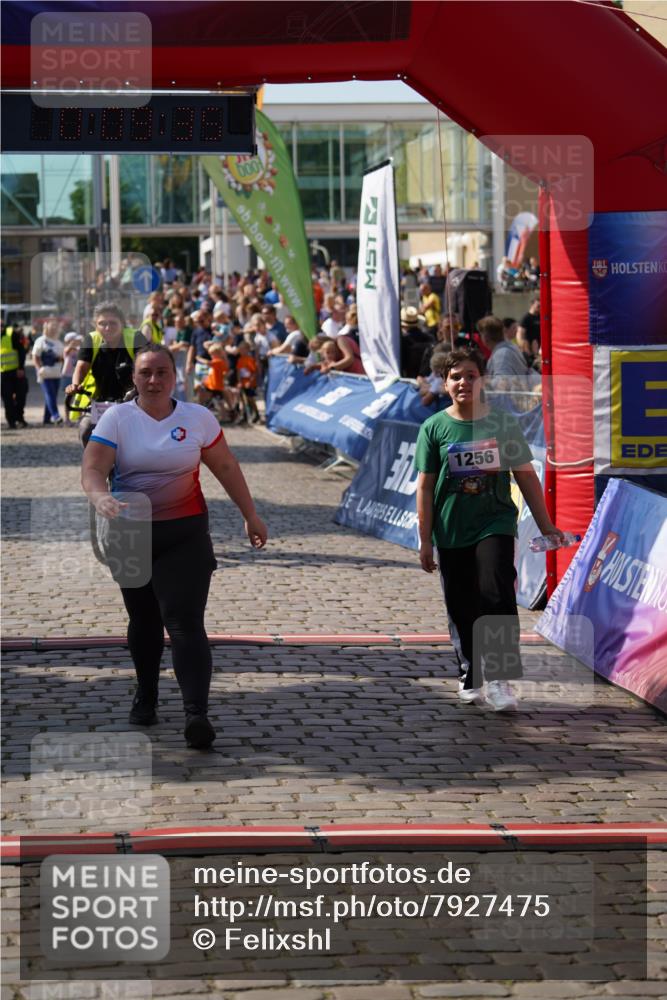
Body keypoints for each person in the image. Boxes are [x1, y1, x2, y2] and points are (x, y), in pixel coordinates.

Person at [81, 343, 267, 749]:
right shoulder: (117, 418)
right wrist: (100, 498)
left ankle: (195, 714)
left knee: (185, 623)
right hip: (130, 531)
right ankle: (146, 693)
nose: (154, 380)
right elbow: (94, 468)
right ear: (134, 377)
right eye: (146, 372)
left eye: (162, 372)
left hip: (184, 532)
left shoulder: (197, 418)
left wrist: (250, 514)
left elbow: (224, 466)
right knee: (144, 621)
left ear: (174, 376)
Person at [415, 347, 563, 711]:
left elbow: (525, 476)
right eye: (456, 377)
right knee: (462, 601)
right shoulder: (433, 428)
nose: (464, 382)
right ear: (445, 383)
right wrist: (424, 541)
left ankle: (499, 679)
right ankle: (471, 673)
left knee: (495, 590)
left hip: (494, 521)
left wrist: (546, 525)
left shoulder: (502, 424)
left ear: (482, 380)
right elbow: (424, 486)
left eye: (471, 375)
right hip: (451, 527)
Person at [67, 302, 149, 445]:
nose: (107, 328)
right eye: (102, 323)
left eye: (113, 323)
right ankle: (95, 465)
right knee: (86, 430)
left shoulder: (135, 337)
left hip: (132, 400)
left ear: (122, 324)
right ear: (95, 325)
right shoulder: (91, 340)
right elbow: (81, 367)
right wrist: (75, 385)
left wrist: (137, 390)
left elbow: (146, 366)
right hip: (101, 401)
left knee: (137, 435)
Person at [32, 319, 65, 425]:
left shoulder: (58, 342)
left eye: (56, 327)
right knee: (50, 393)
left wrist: (60, 359)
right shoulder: (41, 340)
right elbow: (35, 356)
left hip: (56, 372)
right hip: (45, 372)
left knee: (52, 395)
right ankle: (56, 416)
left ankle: (46, 419)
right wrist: (38, 369)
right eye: (52, 327)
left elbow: (63, 357)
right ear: (46, 328)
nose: (54, 329)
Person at [1, 321, 29, 428]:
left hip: (16, 372)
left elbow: (21, 351)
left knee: (21, 395)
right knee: (7, 399)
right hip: (2, 374)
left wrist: (21, 368)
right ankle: (11, 421)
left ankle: (20, 417)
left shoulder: (11, 334)